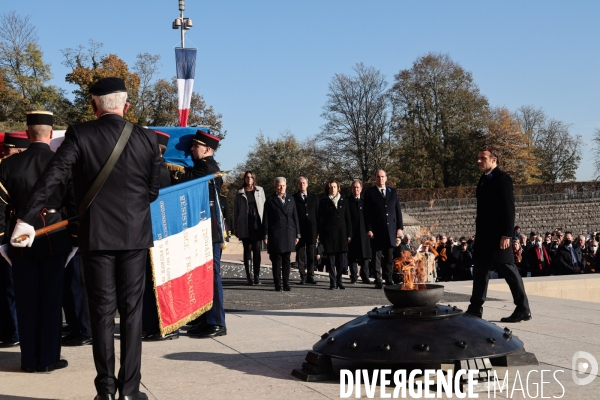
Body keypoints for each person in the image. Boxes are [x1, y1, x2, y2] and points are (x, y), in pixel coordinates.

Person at [11, 78, 161, 400]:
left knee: (102, 313)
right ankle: (130, 391)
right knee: (131, 313)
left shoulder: (81, 134)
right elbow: (152, 191)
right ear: (127, 105)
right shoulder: (147, 139)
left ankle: (105, 390)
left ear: (94, 106)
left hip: (96, 236)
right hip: (135, 236)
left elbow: (53, 177)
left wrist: (25, 218)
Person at [1, 111, 76, 372]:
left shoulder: (8, 165)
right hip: (55, 237)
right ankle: (48, 358)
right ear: (51, 132)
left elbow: (0, 207)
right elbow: (74, 204)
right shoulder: (63, 163)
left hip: (19, 239)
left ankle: (29, 360)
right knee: (52, 300)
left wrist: (2, 241)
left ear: (27, 131)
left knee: (26, 300)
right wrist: (75, 239)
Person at [466, 145, 531, 323]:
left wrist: (507, 235)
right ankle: (475, 308)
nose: (479, 161)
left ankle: (523, 308)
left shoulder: (502, 179)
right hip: (485, 236)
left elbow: (509, 208)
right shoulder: (484, 179)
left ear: (494, 160)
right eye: (478, 157)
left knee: (508, 269)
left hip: (498, 236)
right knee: (480, 271)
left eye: (483, 158)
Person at [173, 130, 227, 339]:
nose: (191, 150)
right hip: (202, 229)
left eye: (195, 147)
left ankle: (216, 322)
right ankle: (204, 319)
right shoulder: (202, 167)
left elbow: (182, 180)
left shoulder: (207, 168)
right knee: (202, 276)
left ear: (206, 149)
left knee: (212, 276)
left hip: (210, 232)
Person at [142, 130, 179, 342]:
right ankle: (153, 325)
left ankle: (162, 326)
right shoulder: (159, 169)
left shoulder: (158, 172)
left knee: (157, 282)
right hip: (155, 233)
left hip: (156, 232)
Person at [364, 169, 403, 289]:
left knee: (389, 257)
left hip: (390, 230)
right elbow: (367, 213)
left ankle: (389, 278)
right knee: (377, 258)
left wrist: (400, 228)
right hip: (377, 230)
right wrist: (369, 229)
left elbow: (398, 211)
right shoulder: (370, 193)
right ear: (375, 179)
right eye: (378, 177)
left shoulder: (392, 192)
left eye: (382, 177)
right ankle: (378, 279)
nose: (380, 179)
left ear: (386, 178)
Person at [262, 177, 300, 291]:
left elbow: (295, 216)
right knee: (277, 260)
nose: (281, 187)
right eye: (279, 185)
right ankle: (277, 283)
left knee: (287, 260)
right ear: (275, 187)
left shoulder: (291, 199)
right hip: (275, 234)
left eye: (283, 185)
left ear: (286, 186)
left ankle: (286, 283)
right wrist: (266, 235)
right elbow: (266, 219)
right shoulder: (270, 200)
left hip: (289, 232)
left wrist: (297, 233)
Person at [318, 180, 352, 290]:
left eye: (335, 187)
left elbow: (348, 219)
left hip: (342, 234)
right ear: (328, 189)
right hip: (329, 234)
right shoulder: (324, 202)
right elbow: (321, 220)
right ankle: (332, 282)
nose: (333, 189)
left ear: (338, 188)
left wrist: (349, 234)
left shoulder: (344, 201)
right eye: (331, 187)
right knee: (331, 261)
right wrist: (321, 235)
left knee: (342, 261)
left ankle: (339, 280)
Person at [233, 171, 266, 285]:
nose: (249, 179)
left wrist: (265, 225)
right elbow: (235, 210)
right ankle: (249, 276)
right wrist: (235, 226)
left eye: (251, 177)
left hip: (257, 222)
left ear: (254, 178)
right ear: (244, 179)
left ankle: (257, 275)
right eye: (247, 177)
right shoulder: (239, 192)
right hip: (244, 223)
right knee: (247, 249)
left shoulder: (260, 190)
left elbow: (264, 207)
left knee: (257, 250)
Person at [292, 176, 319, 285]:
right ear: (297, 185)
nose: (302, 185)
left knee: (311, 254)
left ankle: (311, 275)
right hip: (300, 229)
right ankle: (303, 275)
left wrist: (318, 231)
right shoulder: (293, 198)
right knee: (301, 254)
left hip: (312, 229)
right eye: (300, 183)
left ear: (307, 184)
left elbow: (318, 214)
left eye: (304, 183)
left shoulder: (314, 197)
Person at [346, 180, 371, 284]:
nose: (356, 189)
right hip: (352, 232)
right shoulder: (347, 201)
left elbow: (369, 218)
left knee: (365, 256)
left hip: (363, 233)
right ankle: (353, 276)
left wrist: (369, 230)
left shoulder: (365, 202)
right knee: (352, 256)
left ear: (361, 189)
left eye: (357, 187)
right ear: (351, 189)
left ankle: (365, 276)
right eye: (354, 187)